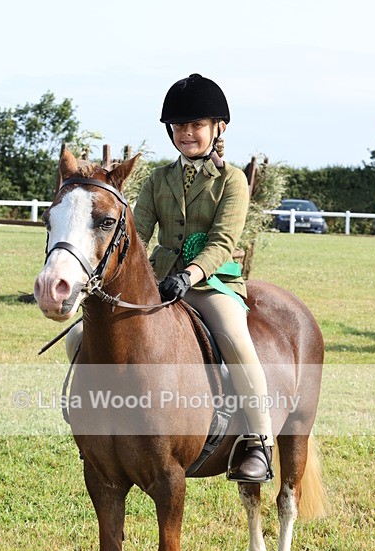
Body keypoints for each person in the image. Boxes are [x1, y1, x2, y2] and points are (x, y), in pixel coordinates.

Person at [132, 73, 274, 482]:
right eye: (179, 126)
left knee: (233, 336)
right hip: (158, 281)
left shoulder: (232, 180)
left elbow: (223, 241)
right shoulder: (158, 179)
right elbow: (138, 235)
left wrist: (190, 274)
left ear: (218, 129)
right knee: (80, 336)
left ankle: (258, 442)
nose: (187, 133)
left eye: (196, 125)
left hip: (211, 283)